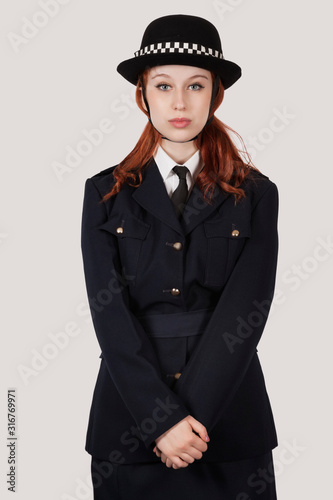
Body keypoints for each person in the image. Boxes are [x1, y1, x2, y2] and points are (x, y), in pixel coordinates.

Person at [81, 14, 279, 500]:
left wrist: (189, 421)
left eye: (196, 85)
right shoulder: (105, 192)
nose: (179, 102)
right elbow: (109, 315)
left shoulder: (255, 194)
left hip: (228, 423)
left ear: (216, 95)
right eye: (163, 85)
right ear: (142, 94)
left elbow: (246, 310)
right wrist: (159, 420)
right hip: (129, 422)